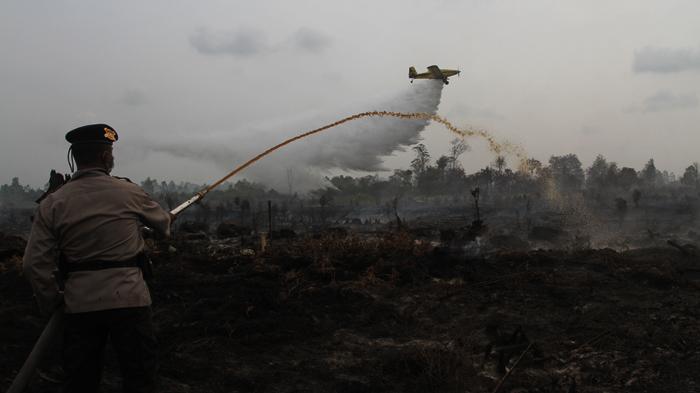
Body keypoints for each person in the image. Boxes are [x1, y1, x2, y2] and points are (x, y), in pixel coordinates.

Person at [23, 123, 172, 393]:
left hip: (79, 305)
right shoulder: (129, 192)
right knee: (140, 378)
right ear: (105, 157)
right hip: (130, 300)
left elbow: (34, 264)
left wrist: (53, 301)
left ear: (75, 158)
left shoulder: (53, 203)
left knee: (81, 381)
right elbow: (163, 225)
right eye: (111, 151)